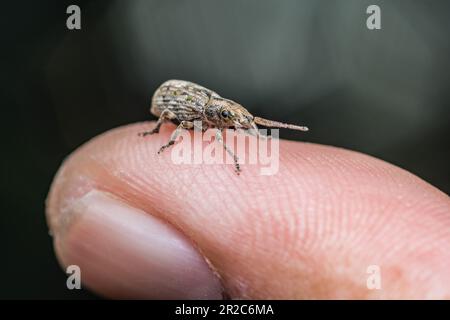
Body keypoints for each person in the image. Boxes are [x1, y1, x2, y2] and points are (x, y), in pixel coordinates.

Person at [45, 122, 450, 299]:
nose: (236, 128)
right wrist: (167, 137)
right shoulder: (198, 115)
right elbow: (187, 122)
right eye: (231, 121)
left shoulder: (219, 118)